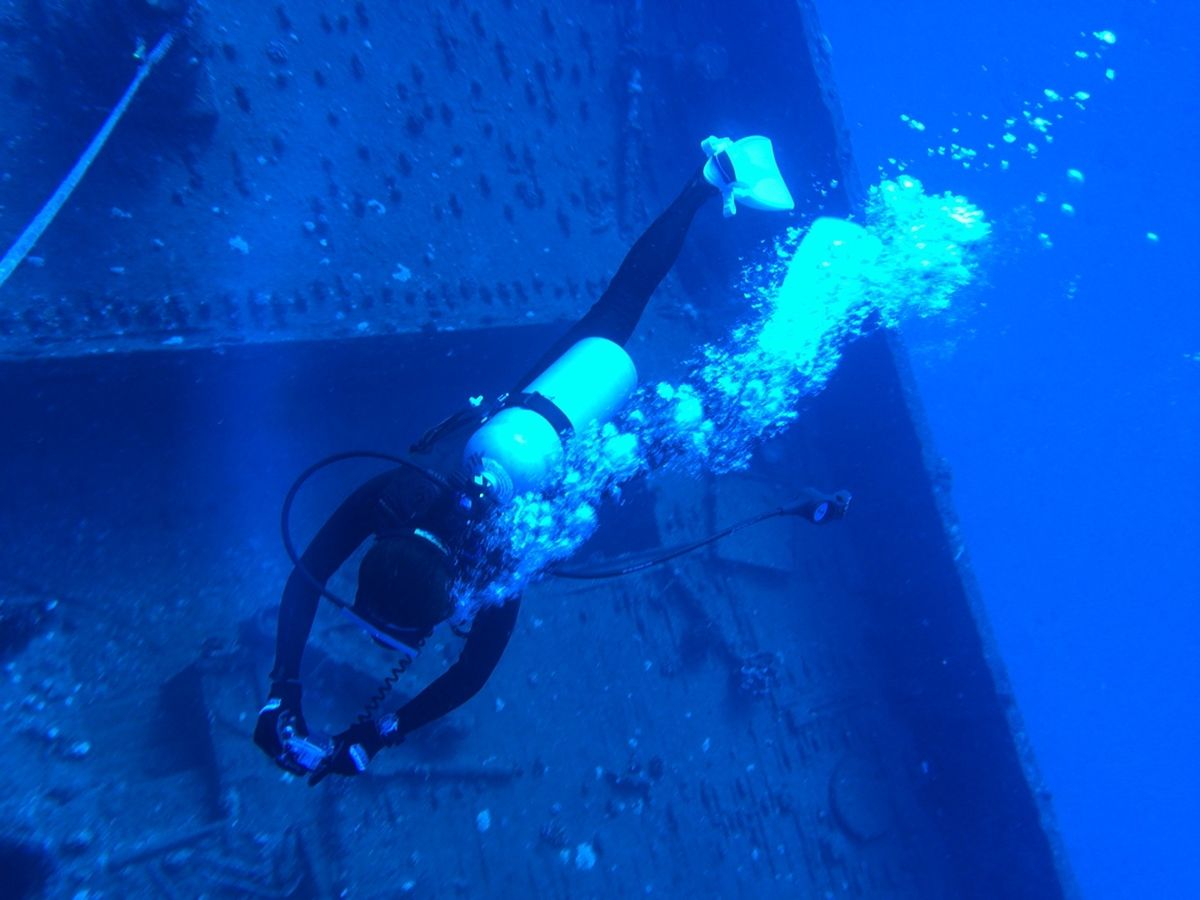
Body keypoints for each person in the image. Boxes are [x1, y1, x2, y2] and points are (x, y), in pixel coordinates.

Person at [254, 135, 843, 783]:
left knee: (687, 426)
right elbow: (318, 579)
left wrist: (347, 719)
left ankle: (787, 358)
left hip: (580, 456)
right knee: (619, 306)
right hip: (535, 406)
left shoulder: (493, 563)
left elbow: (468, 671)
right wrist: (325, 711)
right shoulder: (400, 497)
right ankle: (712, 175)